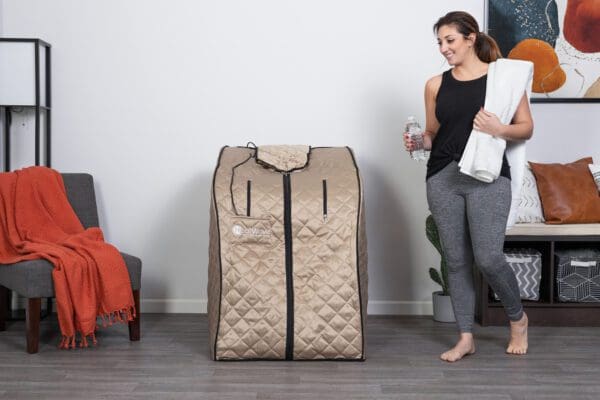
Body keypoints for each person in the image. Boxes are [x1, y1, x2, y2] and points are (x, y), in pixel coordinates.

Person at [404, 11, 533, 362]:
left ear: (470, 38)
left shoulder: (503, 80)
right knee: (456, 260)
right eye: (440, 43)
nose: (444, 49)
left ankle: (517, 319)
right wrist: (420, 142)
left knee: (489, 257)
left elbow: (525, 128)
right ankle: (465, 337)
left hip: (488, 178)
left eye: (450, 40)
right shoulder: (435, 84)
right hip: (443, 177)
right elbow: (432, 132)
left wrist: (499, 129)